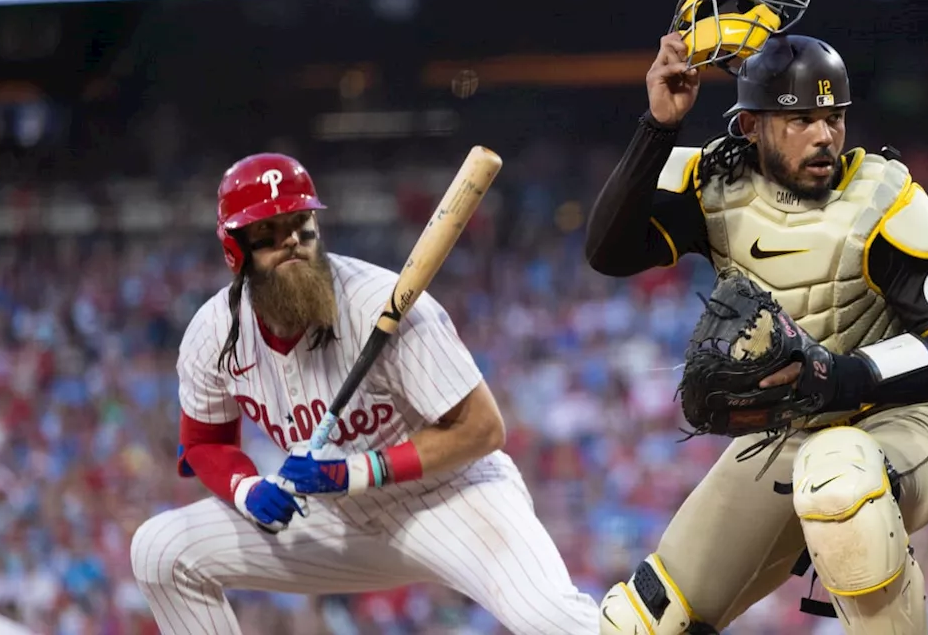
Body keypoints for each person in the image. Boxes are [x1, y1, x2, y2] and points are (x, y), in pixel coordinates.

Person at [583, 31, 928, 634]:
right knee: (640, 623)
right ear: (750, 125)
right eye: (800, 119)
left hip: (904, 421)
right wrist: (658, 125)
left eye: (833, 118)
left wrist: (840, 376)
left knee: (838, 482)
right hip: (788, 433)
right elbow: (607, 252)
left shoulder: (884, 197)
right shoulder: (716, 185)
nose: (824, 135)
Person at [130, 152, 598, 634]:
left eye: (300, 224)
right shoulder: (213, 333)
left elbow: (483, 427)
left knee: (553, 620)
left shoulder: (380, 302)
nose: (290, 242)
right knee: (160, 551)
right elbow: (206, 444)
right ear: (236, 250)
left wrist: (353, 469)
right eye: (268, 233)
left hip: (448, 499)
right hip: (334, 521)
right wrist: (247, 491)